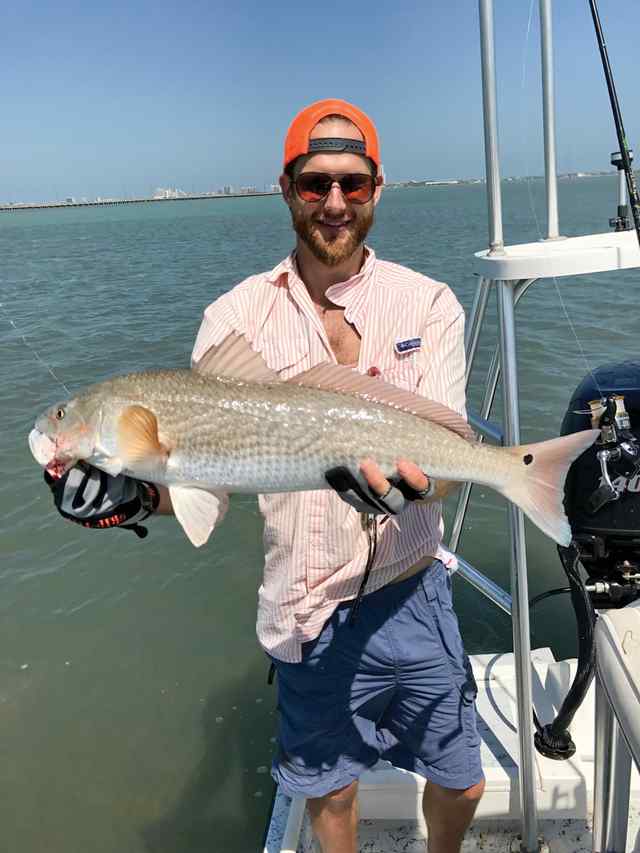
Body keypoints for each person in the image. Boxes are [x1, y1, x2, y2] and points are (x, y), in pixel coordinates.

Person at [46, 99, 485, 853]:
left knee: (465, 777)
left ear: (378, 188)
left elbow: (442, 459)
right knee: (330, 793)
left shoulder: (431, 303)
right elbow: (202, 476)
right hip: (305, 604)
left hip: (414, 586)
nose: (335, 203)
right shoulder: (232, 318)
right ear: (286, 189)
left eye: (353, 183)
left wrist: (418, 482)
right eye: (315, 184)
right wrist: (134, 497)